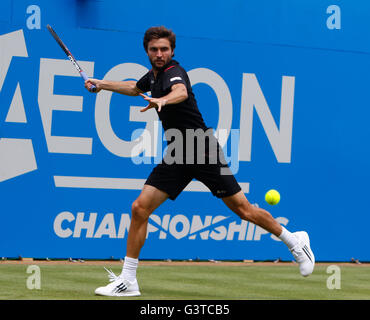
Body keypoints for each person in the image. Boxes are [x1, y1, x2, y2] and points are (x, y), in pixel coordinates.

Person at [85, 26, 315, 297]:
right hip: (177, 153)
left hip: (201, 149)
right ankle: (128, 280)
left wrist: (163, 100)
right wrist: (101, 84)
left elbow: (180, 92)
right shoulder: (153, 76)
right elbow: (135, 88)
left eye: (164, 49)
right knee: (139, 208)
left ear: (172, 51)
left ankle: (295, 241)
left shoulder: (174, 73)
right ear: (146, 51)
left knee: (243, 210)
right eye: (154, 50)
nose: (159, 54)